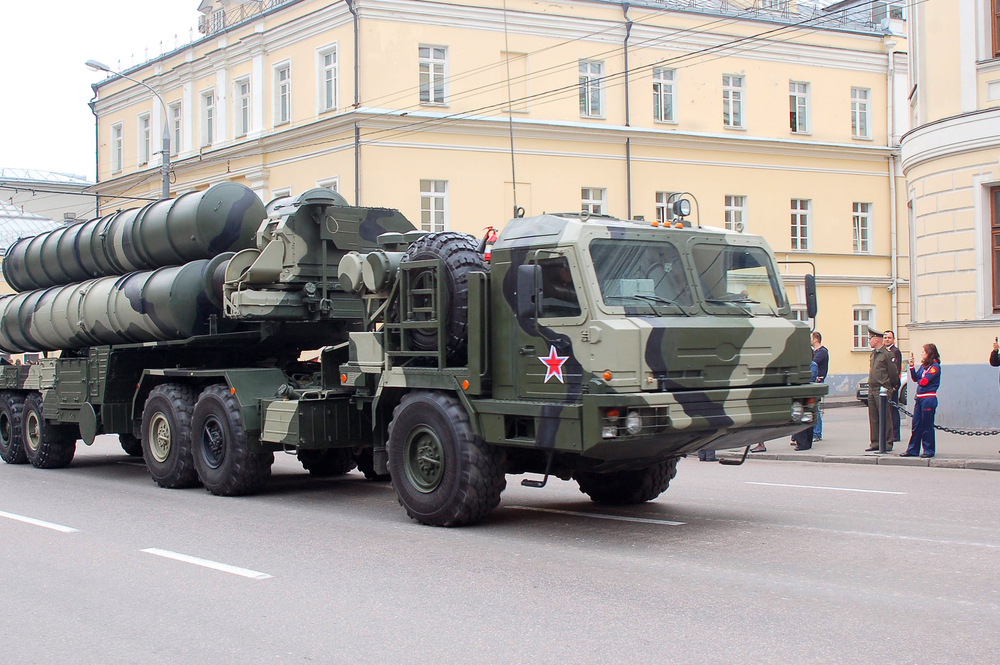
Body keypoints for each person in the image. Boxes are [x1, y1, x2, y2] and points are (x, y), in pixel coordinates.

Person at [901, 343, 941, 458]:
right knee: (916, 424)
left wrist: (920, 379)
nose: (921, 354)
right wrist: (912, 366)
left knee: (927, 425)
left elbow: (924, 382)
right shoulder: (924, 366)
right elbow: (915, 378)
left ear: (929, 353)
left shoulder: (935, 367)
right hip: (919, 398)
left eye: (923, 352)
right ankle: (913, 449)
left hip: (929, 398)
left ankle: (929, 449)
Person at [865, 328, 899, 452]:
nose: (869, 341)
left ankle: (887, 443)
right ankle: (875, 442)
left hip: (882, 389)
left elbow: (893, 372)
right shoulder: (873, 354)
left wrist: (893, 386)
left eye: (870, 339)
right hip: (872, 389)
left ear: (876, 339)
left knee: (885, 417)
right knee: (873, 417)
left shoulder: (887, 354)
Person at [884, 330, 903, 443]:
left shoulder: (895, 351)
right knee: (888, 410)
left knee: (894, 409)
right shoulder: (884, 351)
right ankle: (889, 433)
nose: (887, 339)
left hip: (893, 384)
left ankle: (896, 434)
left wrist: (895, 383)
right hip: (886, 384)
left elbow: (896, 368)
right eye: (885, 337)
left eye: (889, 338)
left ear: (893, 339)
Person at [811, 331, 828, 441]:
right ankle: (814, 432)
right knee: (812, 408)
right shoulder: (815, 351)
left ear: (816, 339)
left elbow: (812, 364)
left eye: (811, 338)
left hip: (818, 382)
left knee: (815, 408)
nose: (810, 340)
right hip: (814, 381)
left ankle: (817, 433)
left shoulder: (822, 352)